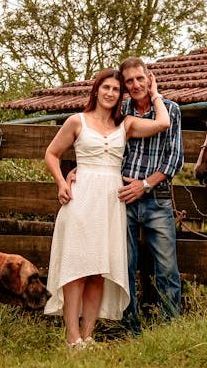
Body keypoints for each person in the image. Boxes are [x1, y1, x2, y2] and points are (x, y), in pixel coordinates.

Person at [44, 68, 170, 349]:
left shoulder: (125, 125)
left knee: (98, 270)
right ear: (96, 90)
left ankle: (88, 336)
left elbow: (163, 123)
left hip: (111, 203)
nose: (111, 93)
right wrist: (62, 181)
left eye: (116, 89)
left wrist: (154, 92)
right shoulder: (77, 121)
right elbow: (51, 154)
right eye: (106, 88)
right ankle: (72, 337)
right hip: (81, 199)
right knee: (76, 268)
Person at [116, 57, 185, 336]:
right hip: (124, 197)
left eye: (140, 78)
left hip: (156, 198)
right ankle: (130, 330)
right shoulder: (119, 112)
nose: (136, 85)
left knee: (166, 268)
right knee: (125, 266)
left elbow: (174, 160)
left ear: (150, 78)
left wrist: (144, 184)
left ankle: (169, 330)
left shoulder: (170, 110)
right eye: (129, 80)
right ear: (124, 84)